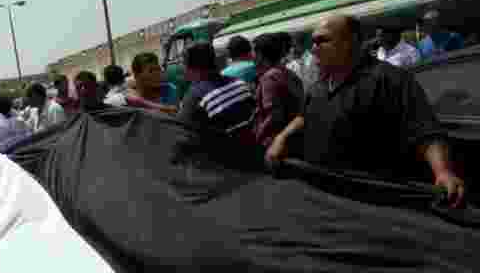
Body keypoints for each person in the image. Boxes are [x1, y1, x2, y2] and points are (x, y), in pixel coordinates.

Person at [266, 15, 466, 207]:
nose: (314, 49)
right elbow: (304, 116)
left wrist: (443, 172)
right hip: (324, 196)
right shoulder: (318, 87)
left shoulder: (391, 80)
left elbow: (425, 130)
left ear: (350, 42)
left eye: (321, 41)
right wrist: (282, 137)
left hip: (374, 202)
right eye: (313, 42)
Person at [177, 42, 255, 141]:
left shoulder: (196, 97)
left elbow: (181, 136)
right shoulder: (241, 84)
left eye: (183, 64)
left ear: (190, 68)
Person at [253, 33, 304, 148]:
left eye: (254, 52)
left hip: (276, 144)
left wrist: (257, 136)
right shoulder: (288, 73)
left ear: (260, 54)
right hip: (294, 138)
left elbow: (273, 116)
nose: (252, 56)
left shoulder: (269, 77)